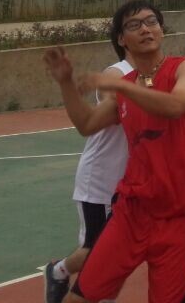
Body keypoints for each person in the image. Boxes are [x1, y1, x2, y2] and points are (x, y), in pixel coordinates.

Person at [43, 1, 185, 303]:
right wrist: (66, 83)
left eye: (152, 21)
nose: (145, 29)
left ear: (161, 29)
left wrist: (123, 87)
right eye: (134, 25)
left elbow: (176, 105)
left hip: (177, 216)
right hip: (131, 213)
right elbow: (87, 124)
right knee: (79, 298)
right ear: (121, 39)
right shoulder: (123, 89)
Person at [43, 55, 133, 303]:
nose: (148, 34)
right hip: (102, 181)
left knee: (117, 252)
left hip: (129, 183)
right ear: (122, 39)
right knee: (97, 252)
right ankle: (59, 272)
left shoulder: (156, 75)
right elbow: (112, 102)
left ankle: (60, 272)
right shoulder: (116, 73)